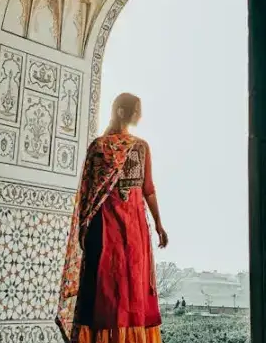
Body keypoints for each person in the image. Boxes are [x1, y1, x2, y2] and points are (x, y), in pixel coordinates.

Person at [56, 92, 168, 343]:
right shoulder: (98, 148)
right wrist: (84, 225)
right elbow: (87, 191)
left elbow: (148, 188)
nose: (140, 115)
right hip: (105, 225)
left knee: (133, 287)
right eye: (136, 110)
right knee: (106, 289)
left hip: (136, 228)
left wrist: (159, 224)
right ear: (121, 112)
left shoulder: (142, 146)